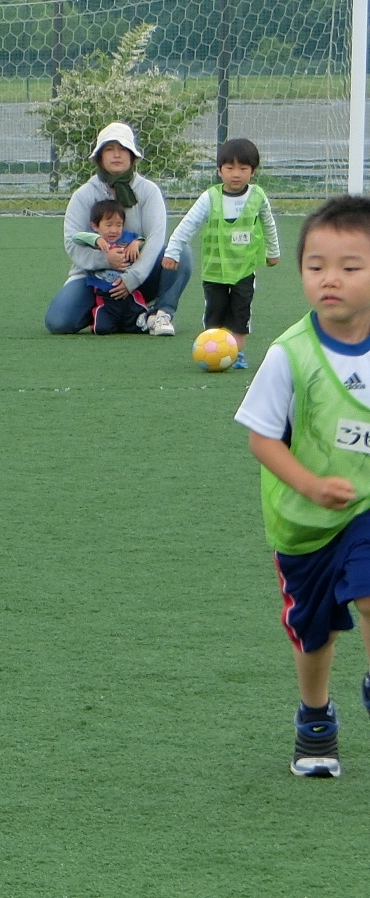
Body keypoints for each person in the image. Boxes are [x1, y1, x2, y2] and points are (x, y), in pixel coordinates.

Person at [232, 197, 370, 777]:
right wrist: (311, 487)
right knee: (312, 636)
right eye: (316, 267)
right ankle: (316, 721)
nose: (330, 279)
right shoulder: (289, 354)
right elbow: (262, 441)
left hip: (364, 509)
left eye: (350, 266)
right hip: (302, 522)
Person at [44, 121, 190, 337]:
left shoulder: (148, 191)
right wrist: (106, 261)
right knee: (58, 322)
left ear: (133, 156)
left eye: (123, 149)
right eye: (110, 149)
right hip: (93, 277)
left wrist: (132, 278)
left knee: (181, 253)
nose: (117, 155)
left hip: (140, 276)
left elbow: (156, 238)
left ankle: (159, 314)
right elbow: (72, 243)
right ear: (99, 157)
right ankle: (110, 311)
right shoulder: (84, 195)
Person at [164, 136, 280, 362]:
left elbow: (268, 223)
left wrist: (273, 252)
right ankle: (212, 353)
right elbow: (188, 224)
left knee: (240, 312)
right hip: (214, 271)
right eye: (229, 168)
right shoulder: (210, 198)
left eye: (243, 168)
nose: (236, 174)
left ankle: (236, 354)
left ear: (253, 171)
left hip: (244, 268)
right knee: (215, 312)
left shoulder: (258, 197)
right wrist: (172, 251)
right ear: (219, 171)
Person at [72, 199, 147, 333]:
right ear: (95, 226)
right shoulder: (95, 239)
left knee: (140, 326)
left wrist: (136, 243)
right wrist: (96, 239)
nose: (114, 230)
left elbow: (144, 239)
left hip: (130, 294)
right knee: (102, 329)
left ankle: (149, 314)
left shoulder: (127, 238)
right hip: (105, 297)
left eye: (119, 225)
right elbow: (76, 237)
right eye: (109, 225)